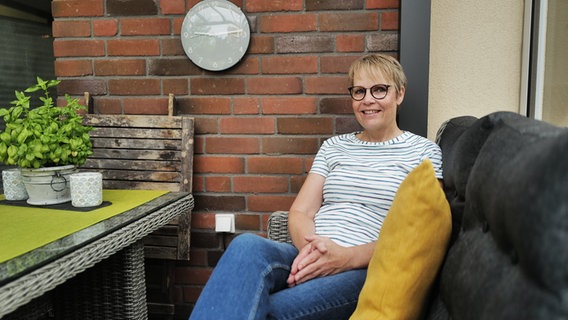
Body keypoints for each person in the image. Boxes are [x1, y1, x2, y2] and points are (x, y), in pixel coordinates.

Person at [189, 53, 443, 320]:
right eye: (359, 91)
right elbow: (301, 212)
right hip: (307, 252)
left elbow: (419, 234)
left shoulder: (423, 153)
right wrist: (312, 253)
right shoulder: (334, 147)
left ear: (399, 94)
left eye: (379, 90)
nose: (368, 100)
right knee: (245, 246)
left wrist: (344, 257)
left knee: (258, 308)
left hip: (363, 268)